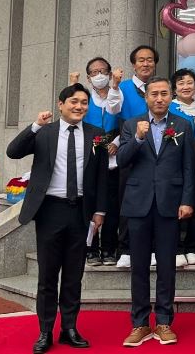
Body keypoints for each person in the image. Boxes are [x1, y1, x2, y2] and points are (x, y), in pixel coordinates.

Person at [7, 84, 107, 353]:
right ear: (61, 104)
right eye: (74, 101)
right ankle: (45, 331)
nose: (79, 106)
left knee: (74, 275)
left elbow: (102, 176)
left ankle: (69, 328)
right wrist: (35, 126)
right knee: (48, 275)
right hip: (50, 210)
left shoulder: (96, 134)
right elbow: (13, 151)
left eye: (84, 102)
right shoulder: (45, 133)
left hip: (81, 212)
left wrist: (100, 211)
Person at [116, 77, 195, 347]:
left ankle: (163, 321)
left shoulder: (182, 125)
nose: (159, 98)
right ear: (146, 97)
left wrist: (187, 200)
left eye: (164, 94)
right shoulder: (131, 125)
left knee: (166, 266)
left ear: (171, 96)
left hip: (169, 204)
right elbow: (122, 160)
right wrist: (138, 138)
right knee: (138, 266)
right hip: (138, 203)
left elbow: (189, 167)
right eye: (154, 94)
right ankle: (139, 323)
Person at [70, 59, 124, 267]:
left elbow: (125, 122)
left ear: (109, 74)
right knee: (89, 205)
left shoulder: (118, 95)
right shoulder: (85, 100)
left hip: (113, 162)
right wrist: (73, 85)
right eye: (94, 72)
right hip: (89, 160)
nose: (98, 75)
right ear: (88, 77)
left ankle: (109, 248)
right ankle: (90, 249)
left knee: (112, 207)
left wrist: (117, 142)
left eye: (102, 71)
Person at [113, 45, 159, 269]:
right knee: (127, 200)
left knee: (155, 202)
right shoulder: (121, 88)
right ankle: (125, 248)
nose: (146, 64)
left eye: (150, 60)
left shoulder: (160, 86)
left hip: (156, 151)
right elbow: (112, 114)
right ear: (134, 64)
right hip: (130, 148)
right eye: (141, 60)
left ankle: (152, 248)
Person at [169, 68, 195, 268]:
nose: (186, 86)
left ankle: (192, 247)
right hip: (173, 164)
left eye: (190, 82)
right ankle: (174, 248)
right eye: (181, 83)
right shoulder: (168, 107)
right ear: (174, 88)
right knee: (173, 205)